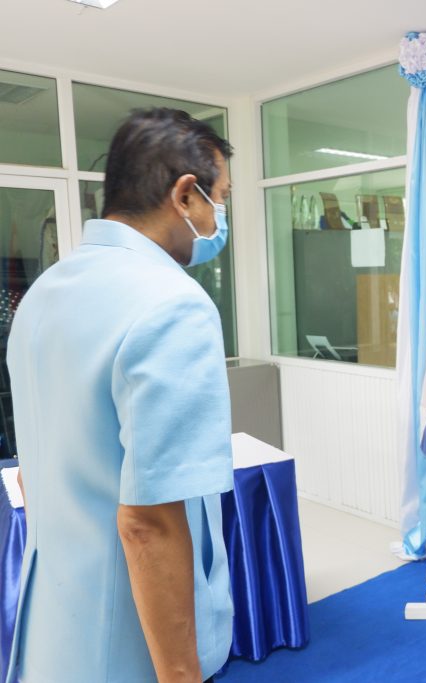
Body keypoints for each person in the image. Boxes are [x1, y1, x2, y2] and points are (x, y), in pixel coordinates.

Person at [6, 108, 235, 683]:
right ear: (186, 195)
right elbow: (147, 521)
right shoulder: (172, 304)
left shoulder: (43, 294)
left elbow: (34, 474)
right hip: (129, 645)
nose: (220, 218)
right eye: (220, 199)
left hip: (53, 626)